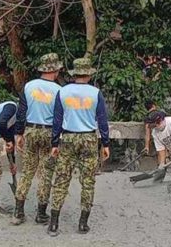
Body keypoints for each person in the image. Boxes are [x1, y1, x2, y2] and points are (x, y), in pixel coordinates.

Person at [48, 58, 110, 236]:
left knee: (61, 179)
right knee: (88, 181)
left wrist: (54, 143)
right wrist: (105, 143)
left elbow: (57, 120)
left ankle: (53, 223)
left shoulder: (63, 91)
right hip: (89, 139)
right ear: (89, 74)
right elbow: (102, 121)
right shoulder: (96, 93)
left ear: (74, 73)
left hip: (67, 137)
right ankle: (83, 223)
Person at [11, 53, 63, 226]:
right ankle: (41, 213)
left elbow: (21, 113)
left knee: (27, 171)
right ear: (54, 70)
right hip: (48, 133)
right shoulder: (58, 91)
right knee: (46, 173)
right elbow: (58, 119)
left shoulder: (28, 87)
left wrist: (19, 134)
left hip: (31, 130)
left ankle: (18, 212)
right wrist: (56, 142)